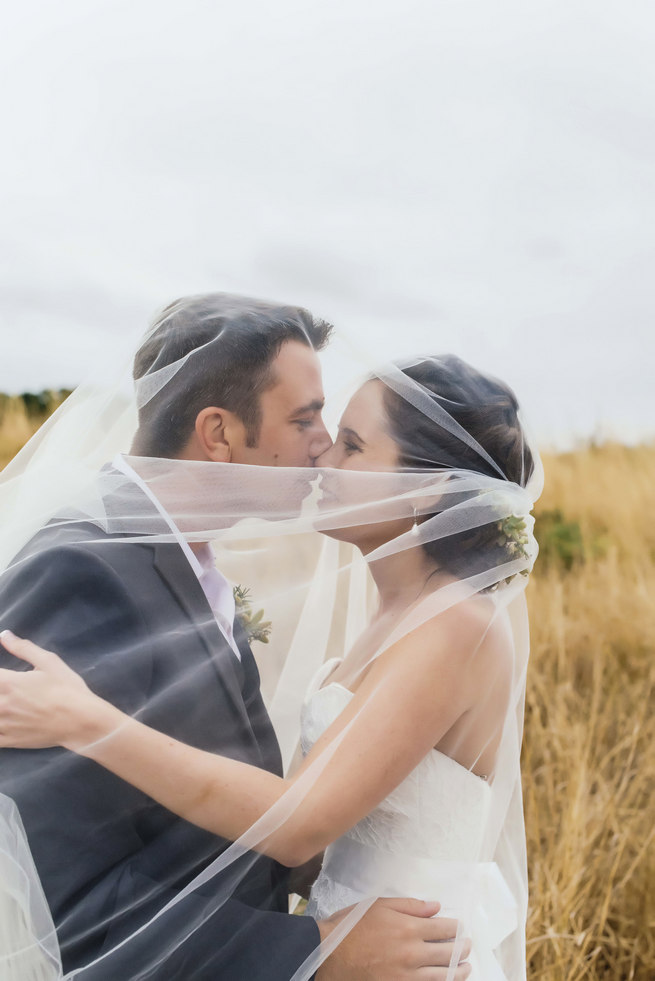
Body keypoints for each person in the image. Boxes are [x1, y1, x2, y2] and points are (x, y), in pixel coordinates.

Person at [0, 326, 542, 978]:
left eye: (351, 444)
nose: (322, 460)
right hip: (346, 930)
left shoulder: (458, 622)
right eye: (324, 432)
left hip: (413, 954)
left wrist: (87, 722)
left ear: (428, 488)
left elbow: (299, 822)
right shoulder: (394, 618)